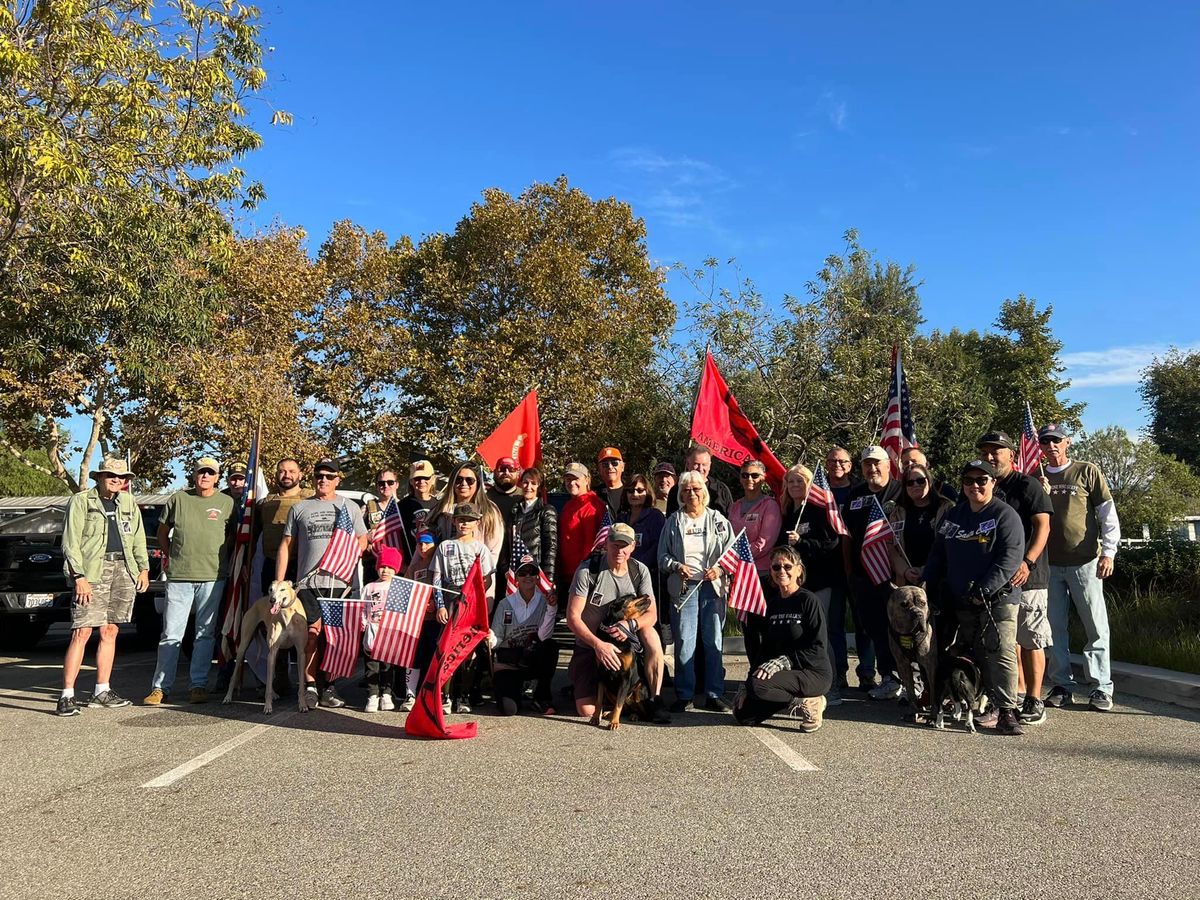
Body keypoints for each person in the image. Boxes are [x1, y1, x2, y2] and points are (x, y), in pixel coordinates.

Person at [922, 459, 1026, 735]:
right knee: (977, 654)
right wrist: (927, 586)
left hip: (997, 599)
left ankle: (1007, 711)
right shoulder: (954, 516)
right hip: (961, 600)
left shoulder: (1005, 515)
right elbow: (938, 555)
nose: (975, 486)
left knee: (1001, 649)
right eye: (968, 481)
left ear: (993, 482)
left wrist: (984, 590)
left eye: (982, 480)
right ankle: (984, 702)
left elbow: (1010, 558)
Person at [57, 458, 150, 716]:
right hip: (91, 572)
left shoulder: (128, 502)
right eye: (111, 475)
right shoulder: (81, 501)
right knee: (82, 632)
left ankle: (101, 690)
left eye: (122, 477)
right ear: (100, 476)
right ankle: (67, 695)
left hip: (123, 569)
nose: (117, 480)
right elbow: (70, 542)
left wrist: (143, 568)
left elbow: (138, 538)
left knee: (110, 630)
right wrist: (79, 576)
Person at [276, 458, 369, 710]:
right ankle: (308, 686)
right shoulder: (300, 508)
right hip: (308, 583)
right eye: (319, 475)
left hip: (341, 584)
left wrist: (347, 557)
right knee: (312, 636)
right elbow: (286, 545)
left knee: (334, 638)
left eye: (329, 475)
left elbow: (362, 541)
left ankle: (329, 686)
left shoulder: (348, 507)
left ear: (338, 479)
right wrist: (281, 580)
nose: (324, 479)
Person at [1040, 423, 1120, 712]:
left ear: (1067, 442)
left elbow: (1107, 513)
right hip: (1049, 566)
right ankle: (1062, 685)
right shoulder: (1037, 477)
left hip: (1085, 562)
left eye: (1056, 441)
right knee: (1054, 628)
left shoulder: (1086, 470)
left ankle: (1101, 686)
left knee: (1095, 626)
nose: (1051, 446)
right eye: (1046, 441)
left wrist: (1108, 552)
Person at [144, 456, 236, 705]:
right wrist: (169, 557)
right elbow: (162, 532)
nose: (205, 476)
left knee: (205, 634)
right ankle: (160, 687)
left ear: (217, 477)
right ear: (193, 475)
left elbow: (231, 537)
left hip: (212, 576)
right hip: (180, 576)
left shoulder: (227, 503)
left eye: (210, 472)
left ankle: (198, 685)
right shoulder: (178, 499)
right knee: (171, 634)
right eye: (201, 472)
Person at [977, 430, 1054, 726]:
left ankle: (1035, 699)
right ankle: (1008, 698)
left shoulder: (1027, 485)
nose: (990, 456)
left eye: (996, 451)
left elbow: (1043, 527)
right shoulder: (983, 485)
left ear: (1011, 454)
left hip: (1028, 576)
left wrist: (1028, 561)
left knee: (1031, 637)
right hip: (995, 577)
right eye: (985, 451)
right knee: (1002, 641)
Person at [565, 523, 670, 723]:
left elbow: (652, 614)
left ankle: (655, 699)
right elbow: (572, 618)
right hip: (591, 645)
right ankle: (588, 687)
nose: (619, 551)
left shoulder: (639, 571)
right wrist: (599, 645)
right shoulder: (588, 570)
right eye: (615, 544)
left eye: (624, 546)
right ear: (606, 543)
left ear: (632, 547)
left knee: (651, 634)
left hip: (627, 643)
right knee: (586, 710)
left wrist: (631, 625)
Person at [658, 471, 735, 713]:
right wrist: (676, 566)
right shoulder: (673, 522)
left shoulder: (719, 520)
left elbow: (732, 555)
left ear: (705, 491)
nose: (692, 493)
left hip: (712, 589)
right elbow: (662, 557)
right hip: (684, 589)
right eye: (687, 489)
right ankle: (685, 694)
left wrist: (720, 569)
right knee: (684, 643)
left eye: (696, 488)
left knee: (713, 642)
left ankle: (714, 694)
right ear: (680, 494)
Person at [732, 547, 832, 730]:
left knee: (759, 686)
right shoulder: (774, 604)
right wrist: (747, 683)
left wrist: (784, 661)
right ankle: (793, 700)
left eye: (787, 566)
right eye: (776, 567)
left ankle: (810, 701)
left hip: (811, 671)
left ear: (799, 570)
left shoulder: (808, 601)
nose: (782, 571)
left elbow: (817, 646)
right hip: (783, 674)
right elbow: (766, 648)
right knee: (743, 715)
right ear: (770, 571)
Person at [842, 445, 904, 700]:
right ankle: (888, 676)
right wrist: (848, 571)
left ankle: (908, 679)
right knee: (875, 628)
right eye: (867, 464)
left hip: (894, 575)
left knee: (900, 628)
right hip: (863, 575)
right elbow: (846, 536)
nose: (872, 468)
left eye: (877, 463)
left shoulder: (901, 492)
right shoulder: (855, 494)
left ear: (888, 465)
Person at [777, 464, 843, 702]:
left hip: (819, 583)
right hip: (796, 587)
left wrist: (802, 541)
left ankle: (832, 684)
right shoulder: (787, 513)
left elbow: (830, 543)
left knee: (820, 636)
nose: (795, 486)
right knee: (799, 636)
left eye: (800, 481)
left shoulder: (818, 510)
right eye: (791, 481)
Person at [430, 502, 496, 713]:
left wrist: (477, 599)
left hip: (471, 602)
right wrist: (440, 605)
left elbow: (487, 580)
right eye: (460, 519)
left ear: (477, 523)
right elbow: (437, 579)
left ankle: (463, 695)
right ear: (454, 521)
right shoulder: (444, 546)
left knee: (467, 651)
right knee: (446, 647)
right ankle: (445, 695)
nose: (464, 524)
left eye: (469, 520)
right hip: (450, 599)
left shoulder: (480, 548)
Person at [728, 459, 782, 665]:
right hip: (740, 577)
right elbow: (728, 539)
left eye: (754, 475)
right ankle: (753, 670)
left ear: (763, 478)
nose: (749, 479)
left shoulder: (770, 506)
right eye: (745, 475)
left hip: (763, 576)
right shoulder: (735, 506)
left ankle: (767, 671)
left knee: (765, 627)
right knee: (747, 627)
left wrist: (738, 556)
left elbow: (764, 543)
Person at [489, 557, 559, 715]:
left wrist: (552, 609)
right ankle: (512, 691)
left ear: (537, 576)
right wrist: (490, 638)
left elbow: (543, 636)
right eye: (522, 572)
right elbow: (497, 638)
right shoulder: (505, 604)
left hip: (532, 658)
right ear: (516, 578)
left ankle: (541, 697)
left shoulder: (545, 601)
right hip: (509, 662)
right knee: (509, 710)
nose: (527, 576)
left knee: (551, 646)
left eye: (532, 572)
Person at [428, 462, 504, 588]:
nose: (464, 484)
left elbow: (493, 553)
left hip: (477, 584)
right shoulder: (440, 510)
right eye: (458, 479)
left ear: (478, 483)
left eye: (469, 480)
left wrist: (480, 583)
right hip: (443, 583)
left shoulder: (489, 511)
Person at [888, 462, 954, 587]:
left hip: (940, 579)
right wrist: (906, 571)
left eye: (920, 481)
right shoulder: (897, 513)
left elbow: (950, 545)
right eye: (910, 483)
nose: (916, 485)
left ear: (929, 481)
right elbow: (892, 548)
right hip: (907, 580)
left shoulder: (947, 509)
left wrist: (925, 570)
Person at [254, 457, 311, 596]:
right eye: (282, 471)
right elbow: (255, 534)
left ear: (300, 475)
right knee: (270, 611)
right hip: (271, 565)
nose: (287, 475)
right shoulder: (265, 503)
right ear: (276, 474)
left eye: (292, 471)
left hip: (301, 565)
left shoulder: (310, 499)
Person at [618, 473, 666, 631]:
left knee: (648, 624)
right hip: (622, 577)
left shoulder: (655, 516)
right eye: (630, 491)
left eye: (640, 490)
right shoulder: (621, 518)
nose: (635, 494)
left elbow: (658, 546)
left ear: (647, 492)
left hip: (647, 578)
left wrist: (636, 567)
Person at [361, 544, 404, 712]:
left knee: (387, 666)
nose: (385, 570)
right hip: (372, 631)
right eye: (382, 566)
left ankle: (386, 693)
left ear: (396, 569)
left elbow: (401, 610)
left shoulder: (398, 587)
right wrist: (363, 623)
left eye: (390, 567)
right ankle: (372, 695)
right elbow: (363, 608)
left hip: (389, 633)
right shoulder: (369, 588)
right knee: (372, 666)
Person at [556, 461, 605, 606]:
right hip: (565, 575)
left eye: (576, 479)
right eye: (568, 479)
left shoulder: (592, 505)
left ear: (587, 480)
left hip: (582, 576)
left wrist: (583, 575)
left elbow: (590, 545)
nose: (571, 483)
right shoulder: (569, 505)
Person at [402, 531, 438, 711]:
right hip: (417, 620)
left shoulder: (439, 564)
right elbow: (407, 589)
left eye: (427, 544)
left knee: (433, 656)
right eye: (420, 544)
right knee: (414, 656)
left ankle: (434, 693)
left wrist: (436, 603)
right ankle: (410, 693)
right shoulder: (414, 567)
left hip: (436, 620)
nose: (423, 547)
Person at [512, 466, 557, 587]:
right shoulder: (515, 511)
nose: (528, 487)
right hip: (516, 573)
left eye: (533, 483)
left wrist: (548, 578)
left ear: (539, 487)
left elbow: (551, 546)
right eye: (525, 482)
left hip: (535, 572)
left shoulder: (546, 511)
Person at [666, 445, 734, 517]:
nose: (700, 469)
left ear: (709, 466)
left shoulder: (721, 490)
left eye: (704, 464)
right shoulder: (678, 490)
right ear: (688, 464)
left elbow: (731, 518)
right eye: (696, 464)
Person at [362, 467, 402, 584]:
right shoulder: (368, 508)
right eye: (381, 483)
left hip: (399, 567)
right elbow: (357, 536)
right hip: (374, 566)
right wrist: (367, 539)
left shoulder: (403, 507)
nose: (386, 486)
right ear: (376, 485)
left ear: (397, 484)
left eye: (390, 482)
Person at [487, 456, 524, 577]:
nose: (506, 473)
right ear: (494, 472)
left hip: (518, 561)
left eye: (511, 469)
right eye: (502, 469)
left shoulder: (525, 497)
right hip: (489, 560)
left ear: (518, 473)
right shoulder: (483, 498)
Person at [399, 459, 438, 556]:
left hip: (435, 561)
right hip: (411, 560)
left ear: (433, 479)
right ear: (411, 481)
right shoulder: (402, 506)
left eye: (426, 478)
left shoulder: (439, 505)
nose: (422, 481)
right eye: (417, 478)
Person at [595, 447, 626, 515]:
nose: (610, 467)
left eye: (614, 463)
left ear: (622, 467)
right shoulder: (593, 495)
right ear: (599, 469)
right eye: (605, 464)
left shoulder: (633, 492)